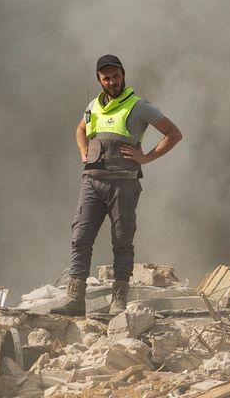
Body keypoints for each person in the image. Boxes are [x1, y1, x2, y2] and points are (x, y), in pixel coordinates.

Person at [52, 54, 182, 316]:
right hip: (92, 182)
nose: (112, 81)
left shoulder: (139, 106)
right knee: (81, 238)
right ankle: (75, 299)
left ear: (123, 75)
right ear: (99, 81)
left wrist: (146, 158)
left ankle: (119, 300)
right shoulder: (93, 106)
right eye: (106, 78)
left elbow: (173, 133)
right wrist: (83, 150)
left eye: (116, 76)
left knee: (122, 240)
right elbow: (80, 130)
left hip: (123, 184)